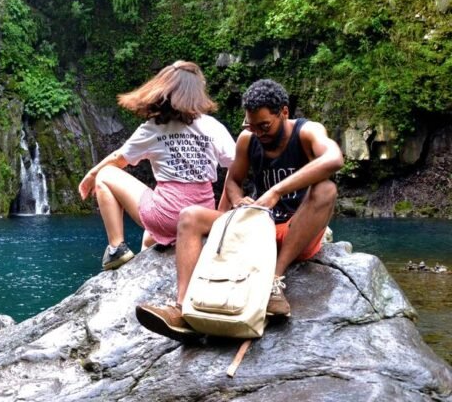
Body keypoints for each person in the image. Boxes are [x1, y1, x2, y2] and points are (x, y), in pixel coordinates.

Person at [136, 79, 343, 339]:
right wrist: (237, 199)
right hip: (257, 231)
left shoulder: (307, 132)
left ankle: (273, 283)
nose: (258, 132)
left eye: (264, 126)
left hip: (296, 232)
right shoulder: (248, 139)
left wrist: (276, 191)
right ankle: (183, 308)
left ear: (285, 112)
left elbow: (334, 159)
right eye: (252, 126)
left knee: (326, 190)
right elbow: (233, 180)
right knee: (189, 216)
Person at [78, 60, 235, 271]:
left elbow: (119, 159)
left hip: (166, 215)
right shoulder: (212, 126)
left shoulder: (154, 128)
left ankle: (116, 248)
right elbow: (237, 167)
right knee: (149, 238)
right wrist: (222, 209)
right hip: (201, 216)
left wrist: (91, 175)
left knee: (106, 175)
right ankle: (144, 265)